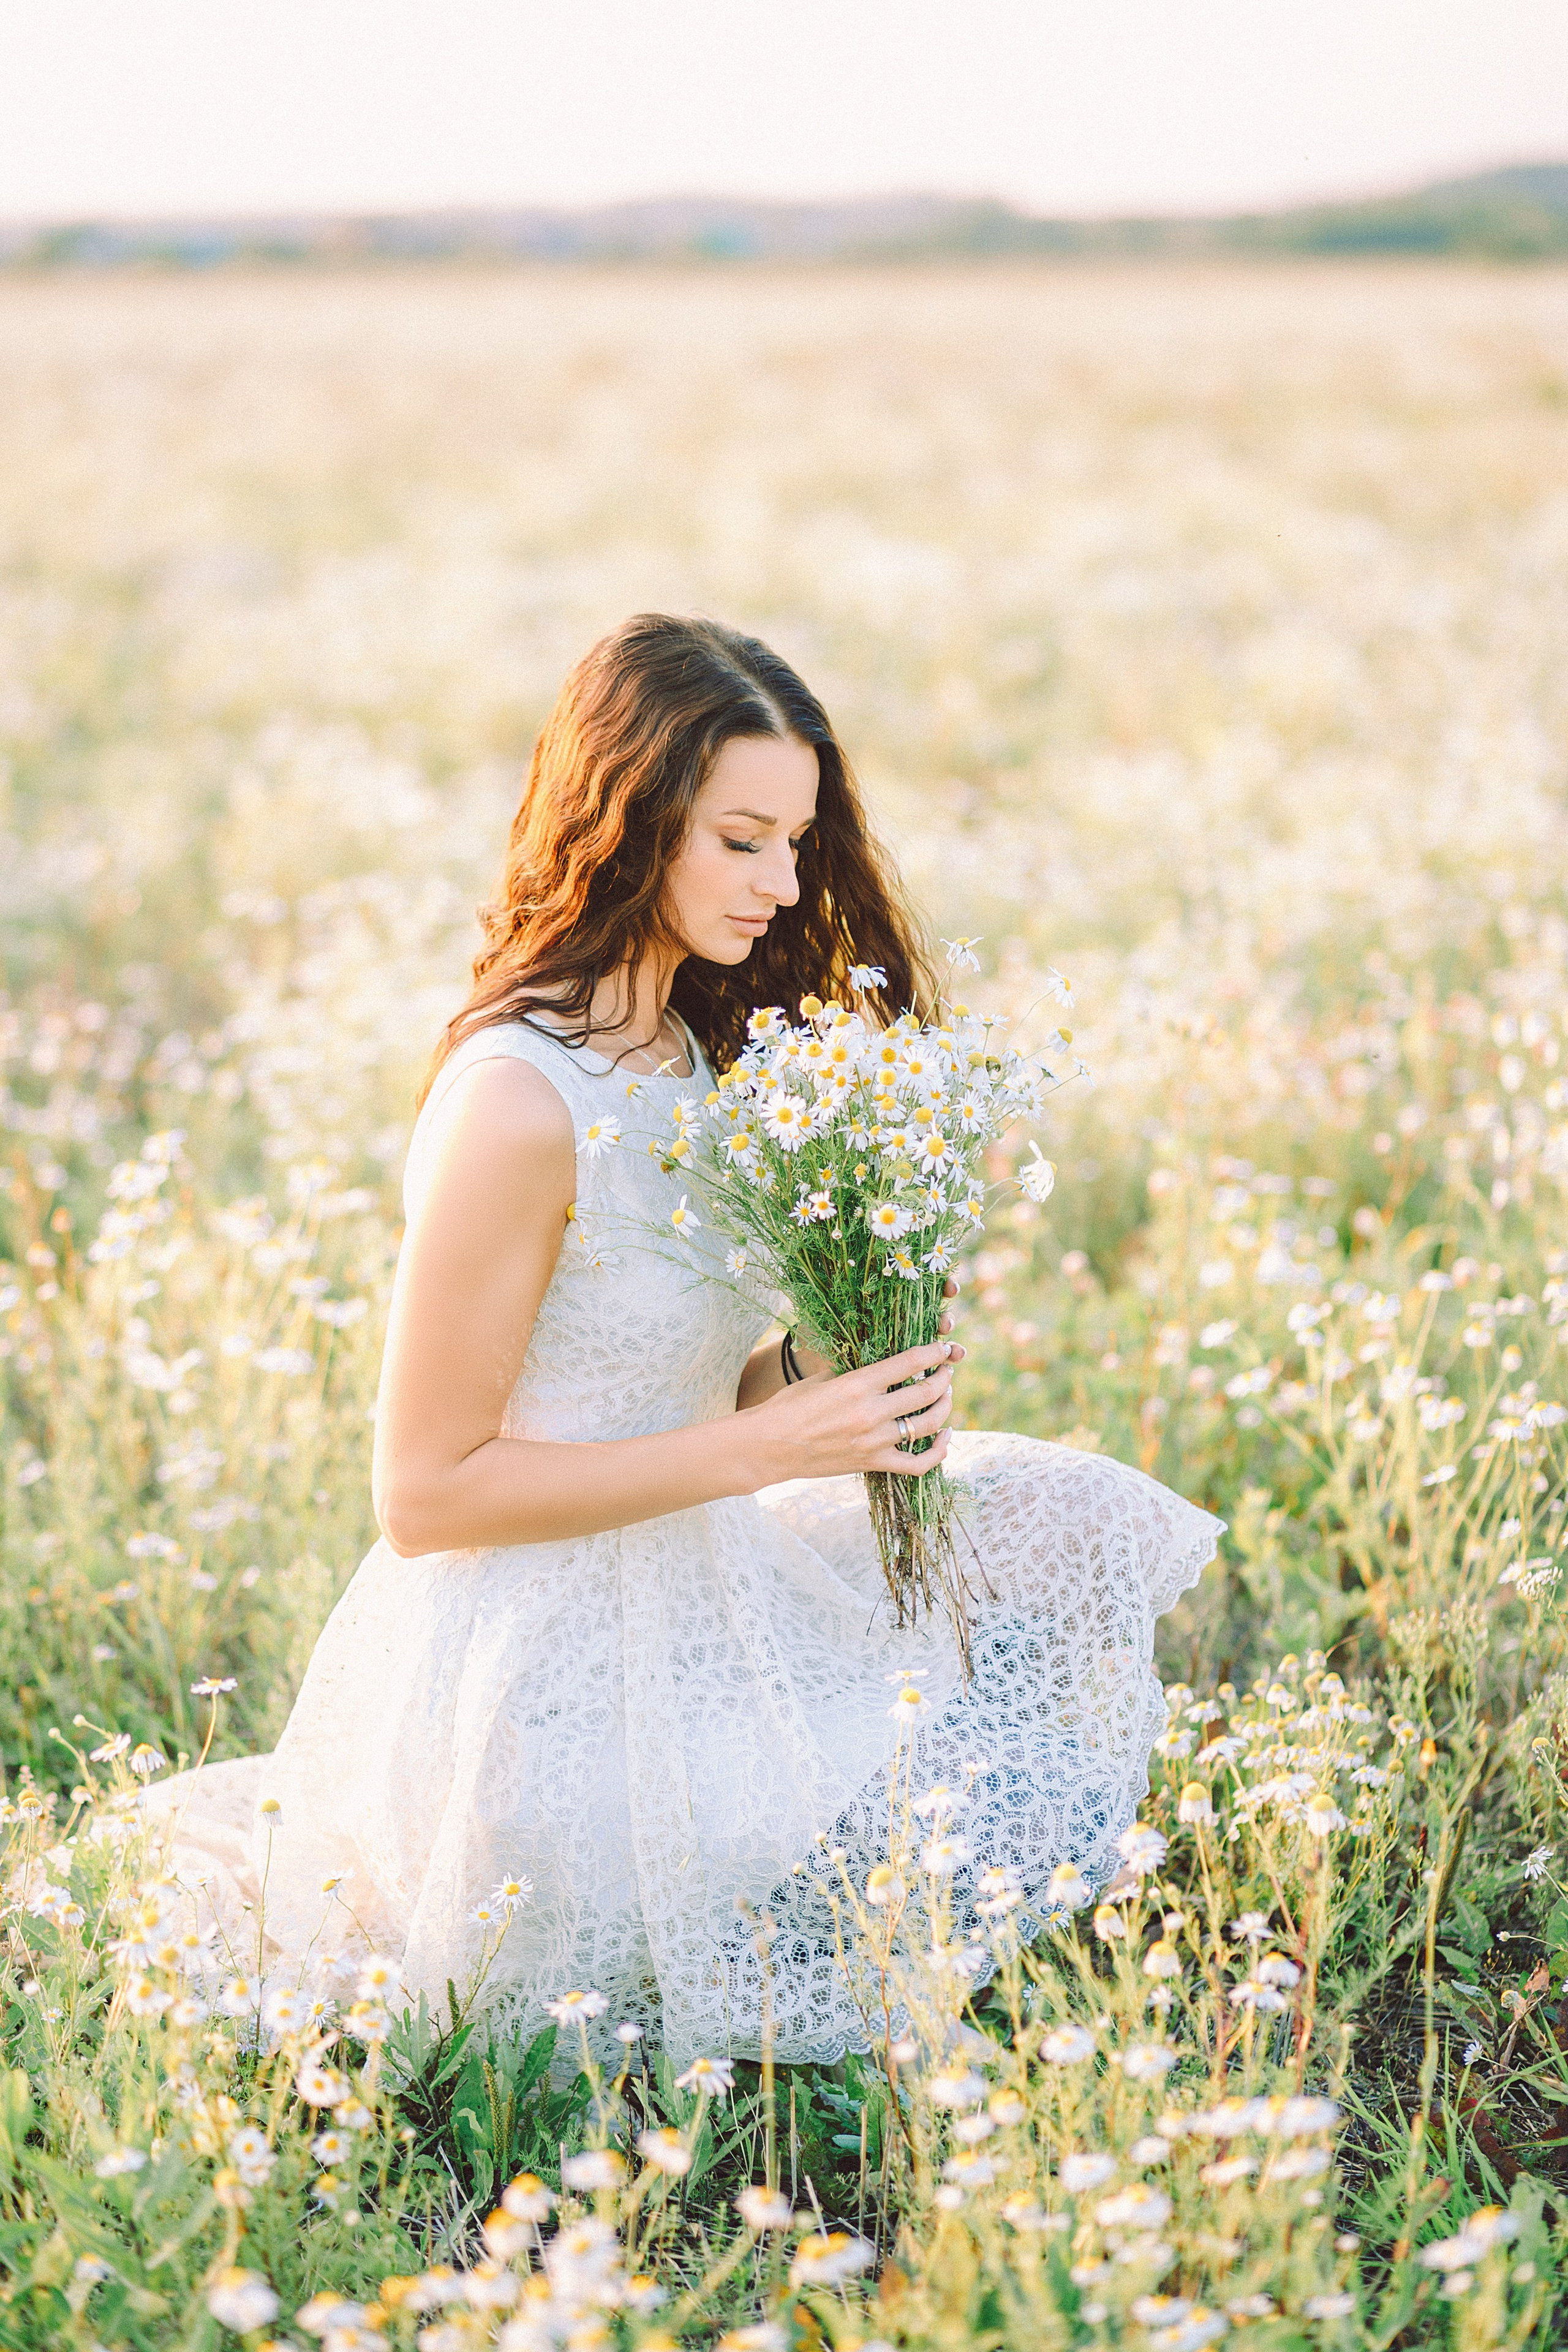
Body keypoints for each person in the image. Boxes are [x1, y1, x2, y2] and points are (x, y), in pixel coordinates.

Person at [157, 614, 1220, 2069]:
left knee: (1060, 1514)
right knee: (752, 1912)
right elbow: (424, 1498)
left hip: (712, 1573)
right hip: (534, 1653)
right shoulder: (516, 1103)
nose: (785, 888)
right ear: (628, 820)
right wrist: (765, 1447)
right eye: (742, 842)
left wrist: (834, 1366)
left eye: (795, 843)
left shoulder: (701, 1059)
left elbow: (705, 1381)